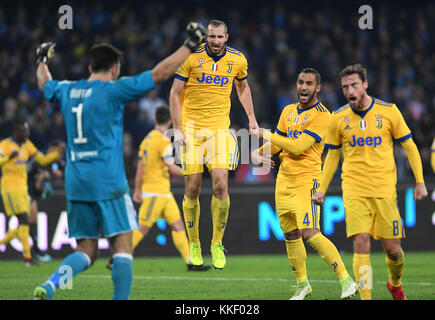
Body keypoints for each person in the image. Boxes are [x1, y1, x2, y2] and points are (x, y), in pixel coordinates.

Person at [33, 21, 208, 300]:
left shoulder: (66, 90)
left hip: (76, 183)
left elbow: (45, 85)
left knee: (85, 251)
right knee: (123, 248)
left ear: (90, 67)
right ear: (114, 69)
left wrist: (41, 60)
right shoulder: (115, 90)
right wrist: (188, 45)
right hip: (108, 182)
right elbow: (159, 73)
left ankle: (52, 285)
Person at [312, 64, 428, 300]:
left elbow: (409, 146)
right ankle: (366, 298)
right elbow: (333, 154)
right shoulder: (338, 118)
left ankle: (395, 284)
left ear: (365, 84)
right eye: (345, 87)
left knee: (394, 251)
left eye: (354, 85)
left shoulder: (389, 111)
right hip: (354, 188)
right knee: (360, 242)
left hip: (384, 189)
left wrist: (420, 181)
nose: (350, 90)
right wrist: (321, 189)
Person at [252, 68, 357, 300]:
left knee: (310, 232)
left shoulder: (323, 116)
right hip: (284, 181)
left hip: (306, 181)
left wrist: (265, 135)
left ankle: (346, 280)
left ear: (317, 88)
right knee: (290, 235)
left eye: (309, 83)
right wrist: (258, 153)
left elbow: (298, 147)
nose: (304, 87)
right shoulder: (288, 111)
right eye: (301, 82)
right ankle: (302, 285)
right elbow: (280, 144)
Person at [169, 20, 258, 270]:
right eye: (211, 36)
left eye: (219, 36)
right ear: (205, 37)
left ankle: (216, 243)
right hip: (191, 131)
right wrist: (177, 130)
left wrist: (251, 116)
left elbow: (243, 88)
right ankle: (194, 243)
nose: (215, 41)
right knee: (193, 188)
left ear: (226, 37)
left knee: (220, 185)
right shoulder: (190, 58)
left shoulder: (238, 60)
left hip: (219, 130)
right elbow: (175, 93)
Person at [106, 106, 210, 271]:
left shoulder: (147, 139)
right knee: (142, 227)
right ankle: (117, 257)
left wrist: (138, 190)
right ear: (170, 121)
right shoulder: (162, 140)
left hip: (162, 192)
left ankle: (191, 262)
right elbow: (171, 167)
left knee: (178, 226)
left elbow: (140, 166)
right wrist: (190, 172)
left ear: (155, 119)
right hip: (156, 192)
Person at [0, 120, 64, 266]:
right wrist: (7, 158)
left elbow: (42, 159)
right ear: (15, 131)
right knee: (23, 219)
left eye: (27, 131)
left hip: (23, 188)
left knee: (24, 222)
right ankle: (28, 257)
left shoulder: (27, 144)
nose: (27, 134)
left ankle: (27, 257)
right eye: (24, 131)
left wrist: (56, 154)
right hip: (10, 186)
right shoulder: (5, 145)